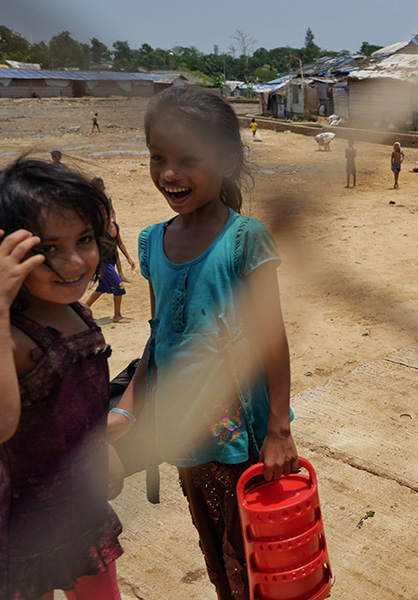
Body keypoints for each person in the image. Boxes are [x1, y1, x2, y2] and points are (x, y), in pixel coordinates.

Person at [119, 86, 297, 600]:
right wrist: (129, 413)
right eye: (158, 158)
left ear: (226, 161)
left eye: (188, 159)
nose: (169, 174)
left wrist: (280, 430)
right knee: (217, 554)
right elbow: (157, 337)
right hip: (185, 435)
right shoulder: (153, 241)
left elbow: (273, 337)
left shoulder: (246, 239)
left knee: (264, 557)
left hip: (247, 442)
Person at [0, 157, 124, 600]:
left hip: (85, 515)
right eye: (49, 248)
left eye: (85, 239)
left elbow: (82, 408)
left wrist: (103, 446)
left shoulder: (78, 314)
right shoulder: (6, 339)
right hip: (27, 532)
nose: (73, 261)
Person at [84, 178, 135, 323]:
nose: (106, 216)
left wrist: (129, 259)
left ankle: (84, 308)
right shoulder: (98, 231)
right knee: (119, 286)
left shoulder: (115, 227)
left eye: (108, 213)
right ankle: (117, 316)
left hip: (110, 261)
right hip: (103, 263)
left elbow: (120, 244)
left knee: (102, 288)